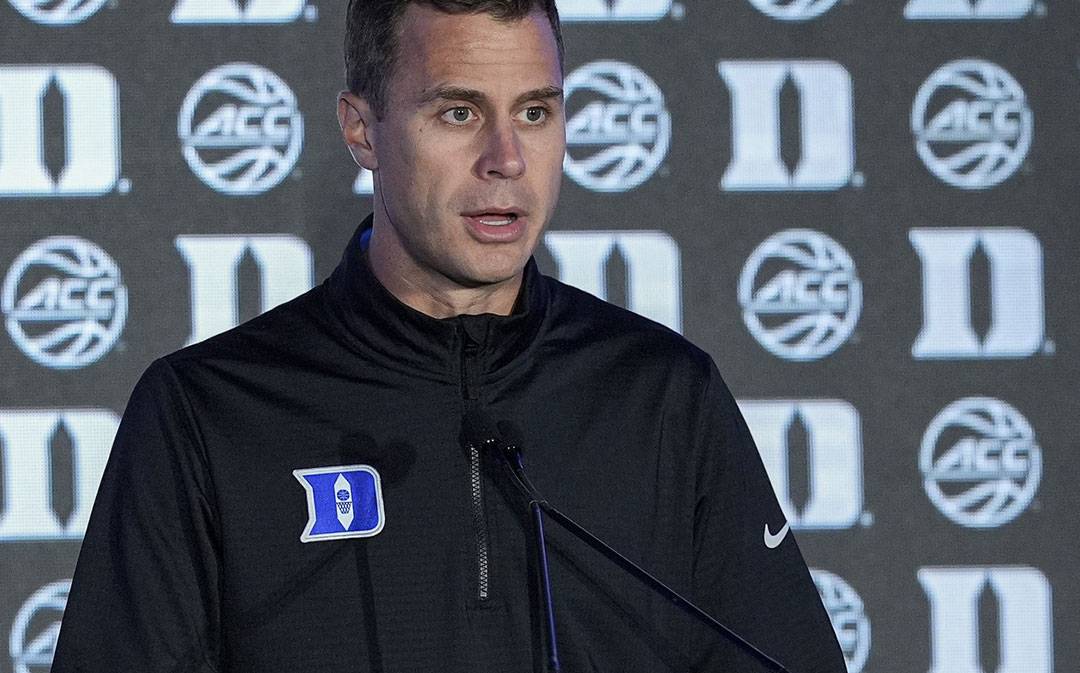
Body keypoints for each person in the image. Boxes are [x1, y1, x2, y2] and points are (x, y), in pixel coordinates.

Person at [52, 1, 848, 671]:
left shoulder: (663, 394)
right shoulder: (210, 413)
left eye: (535, 112)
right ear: (362, 131)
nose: (506, 160)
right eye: (458, 111)